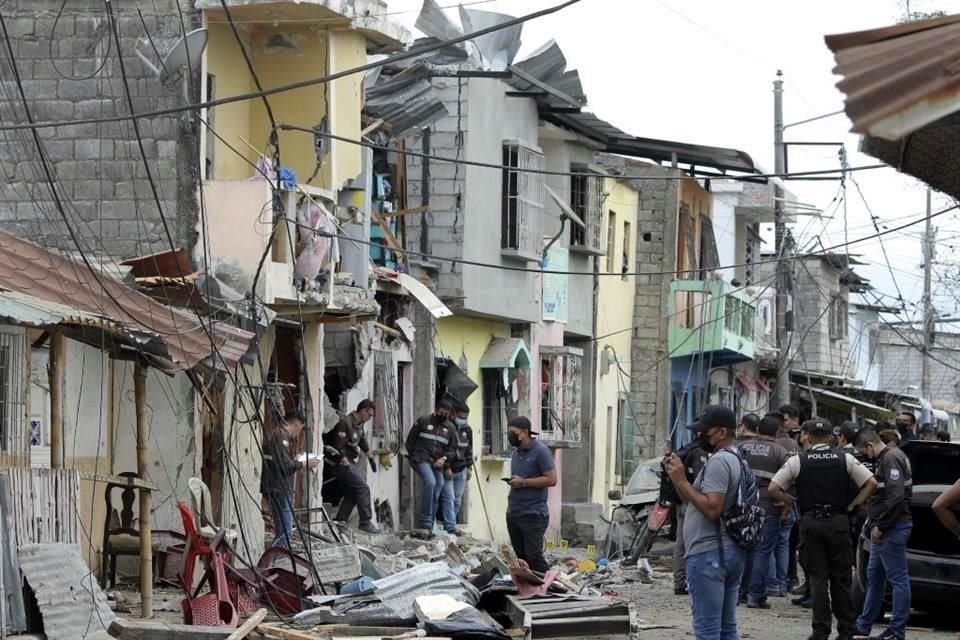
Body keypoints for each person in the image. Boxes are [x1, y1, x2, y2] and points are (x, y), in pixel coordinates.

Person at [769, 418, 877, 640]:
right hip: (838, 522)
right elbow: (871, 483)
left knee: (818, 578)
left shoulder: (798, 461)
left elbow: (774, 487)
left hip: (811, 523)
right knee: (841, 578)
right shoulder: (845, 458)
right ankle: (847, 629)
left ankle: (820, 630)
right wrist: (854, 504)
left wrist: (792, 501)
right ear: (831, 438)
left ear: (807, 436)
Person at [665, 405, 745, 640]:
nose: (699, 436)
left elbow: (712, 508)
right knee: (726, 628)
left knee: (707, 630)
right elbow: (698, 503)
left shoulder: (719, 461)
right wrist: (678, 480)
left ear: (721, 432)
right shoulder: (736, 457)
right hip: (727, 550)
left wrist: (681, 481)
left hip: (711, 553)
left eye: (704, 431)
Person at [853, 429, 913, 640]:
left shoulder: (890, 458)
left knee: (898, 579)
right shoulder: (892, 457)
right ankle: (863, 626)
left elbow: (895, 497)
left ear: (870, 445)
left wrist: (882, 526)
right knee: (874, 578)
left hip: (892, 528)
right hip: (883, 528)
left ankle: (897, 631)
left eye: (864, 451)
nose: (865, 456)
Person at [738, 414, 794, 608]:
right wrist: (786, 501)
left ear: (759, 430)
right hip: (769, 506)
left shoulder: (742, 448)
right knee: (763, 551)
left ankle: (740, 592)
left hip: (743, 505)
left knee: (744, 548)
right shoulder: (780, 452)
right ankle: (755, 595)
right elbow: (790, 479)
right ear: (777, 432)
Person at [260, 410, 319, 548]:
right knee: (285, 533)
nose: (299, 433)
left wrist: (296, 459)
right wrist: (304, 463)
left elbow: (282, 461)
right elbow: (284, 466)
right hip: (279, 488)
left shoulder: (278, 435)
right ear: (297, 424)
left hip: (277, 487)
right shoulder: (281, 436)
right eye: (301, 429)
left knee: (283, 532)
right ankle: (274, 565)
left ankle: (273, 564)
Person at [506, 416, 557, 574]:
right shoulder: (516, 453)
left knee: (534, 557)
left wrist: (523, 482)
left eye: (513, 433)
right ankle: (530, 591)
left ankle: (551, 586)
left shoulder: (541, 451)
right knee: (521, 559)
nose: (510, 436)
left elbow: (551, 479)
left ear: (525, 432)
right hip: (514, 512)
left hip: (533, 513)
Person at [323, 399, 381, 534]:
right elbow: (337, 446)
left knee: (353, 493)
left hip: (349, 461)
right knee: (363, 488)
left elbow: (362, 441)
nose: (369, 418)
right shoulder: (345, 422)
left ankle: (340, 522)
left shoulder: (358, 425)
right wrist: (346, 463)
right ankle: (365, 522)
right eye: (369, 415)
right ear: (363, 411)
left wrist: (370, 457)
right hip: (340, 462)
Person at [406, 398, 458, 534]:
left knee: (439, 484)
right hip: (421, 457)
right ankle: (426, 518)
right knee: (430, 481)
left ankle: (431, 520)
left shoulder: (450, 428)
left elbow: (452, 449)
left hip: (437, 462)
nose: (443, 416)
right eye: (441, 413)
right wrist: (411, 457)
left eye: (446, 414)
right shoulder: (423, 421)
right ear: (436, 410)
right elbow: (410, 440)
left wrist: (444, 460)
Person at [667, 439, 708, 596]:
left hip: (680, 501)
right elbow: (701, 481)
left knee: (681, 542)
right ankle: (689, 581)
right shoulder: (699, 453)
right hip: (692, 502)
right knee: (692, 542)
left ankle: (679, 582)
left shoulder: (685, 450)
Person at [444, 400, 475, 523]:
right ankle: (450, 527)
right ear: (453, 414)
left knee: (457, 500)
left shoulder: (467, 430)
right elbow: (442, 449)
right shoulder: (447, 427)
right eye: (461, 417)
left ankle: (452, 524)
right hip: (449, 468)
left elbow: (469, 449)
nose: (463, 420)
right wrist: (446, 467)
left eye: (465, 418)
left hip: (461, 469)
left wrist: (469, 467)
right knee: (449, 498)